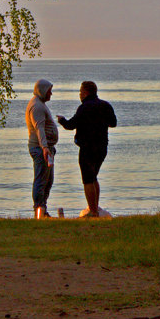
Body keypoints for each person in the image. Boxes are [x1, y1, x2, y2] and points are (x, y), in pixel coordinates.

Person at [57, 80, 116, 218]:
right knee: (94, 176)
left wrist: (61, 120)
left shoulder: (84, 107)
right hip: (102, 147)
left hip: (87, 147)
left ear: (85, 92)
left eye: (80, 92)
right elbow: (113, 123)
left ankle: (93, 211)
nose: (79, 94)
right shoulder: (105, 105)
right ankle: (95, 207)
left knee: (87, 179)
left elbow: (71, 125)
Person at [26, 78, 59, 218]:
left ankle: (43, 209)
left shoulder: (40, 104)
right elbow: (39, 128)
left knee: (48, 180)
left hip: (47, 149)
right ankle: (39, 210)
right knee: (41, 180)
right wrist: (44, 147)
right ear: (43, 91)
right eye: (49, 91)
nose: (51, 94)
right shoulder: (37, 106)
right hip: (40, 149)